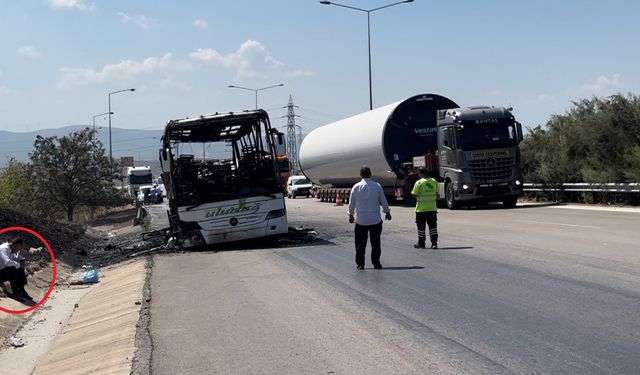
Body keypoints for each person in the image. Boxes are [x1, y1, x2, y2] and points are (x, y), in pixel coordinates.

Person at [347, 166, 392, 270]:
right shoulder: (377, 186)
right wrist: (387, 212)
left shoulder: (356, 187)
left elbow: (351, 203)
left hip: (361, 220)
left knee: (360, 244)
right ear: (370, 174)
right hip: (375, 219)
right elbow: (383, 201)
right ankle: (376, 263)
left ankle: (360, 264)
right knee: (375, 243)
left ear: (361, 175)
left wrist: (351, 215)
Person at [411, 167, 438, 249]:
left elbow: (414, 194)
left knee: (421, 228)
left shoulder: (419, 183)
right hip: (432, 209)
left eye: (418, 173)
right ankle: (434, 243)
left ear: (421, 173)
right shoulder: (434, 181)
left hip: (421, 210)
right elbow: (436, 193)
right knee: (433, 227)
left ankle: (421, 243)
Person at [0, 236, 32, 300]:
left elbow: (17, 258)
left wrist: (22, 260)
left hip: (3, 272)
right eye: (19, 248)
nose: (19, 250)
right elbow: (7, 262)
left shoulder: (12, 249)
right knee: (13, 269)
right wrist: (18, 264)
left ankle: (22, 290)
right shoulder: (3, 249)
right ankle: (16, 292)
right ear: (15, 245)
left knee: (19, 268)